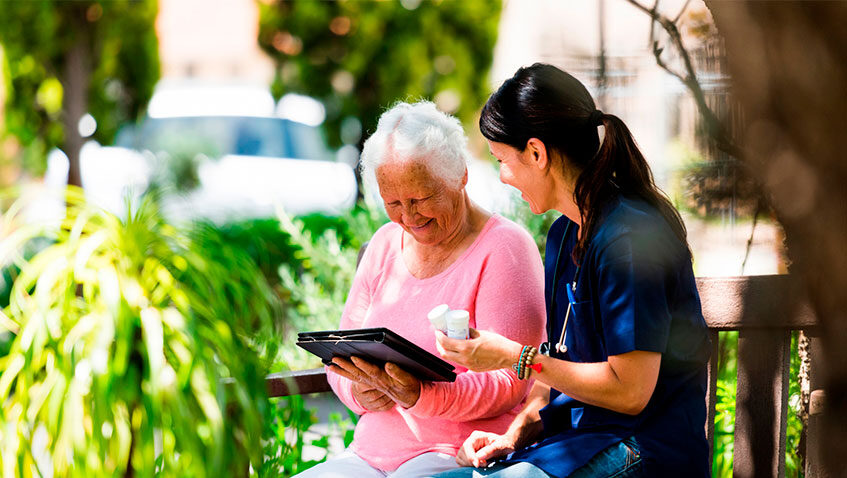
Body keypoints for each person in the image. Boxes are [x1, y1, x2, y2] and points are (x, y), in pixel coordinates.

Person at [433, 63, 712, 478]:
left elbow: (630, 391)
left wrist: (513, 357)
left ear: (536, 152)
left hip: (644, 449)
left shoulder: (629, 239)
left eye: (501, 160)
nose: (503, 177)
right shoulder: (564, 235)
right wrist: (514, 435)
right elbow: (560, 359)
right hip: (582, 443)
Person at [294, 101, 547, 478]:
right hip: (367, 456)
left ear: (460, 175)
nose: (408, 217)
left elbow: (513, 378)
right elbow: (338, 361)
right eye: (392, 202)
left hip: (454, 455)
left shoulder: (505, 248)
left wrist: (421, 397)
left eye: (420, 199)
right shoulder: (384, 244)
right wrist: (358, 391)